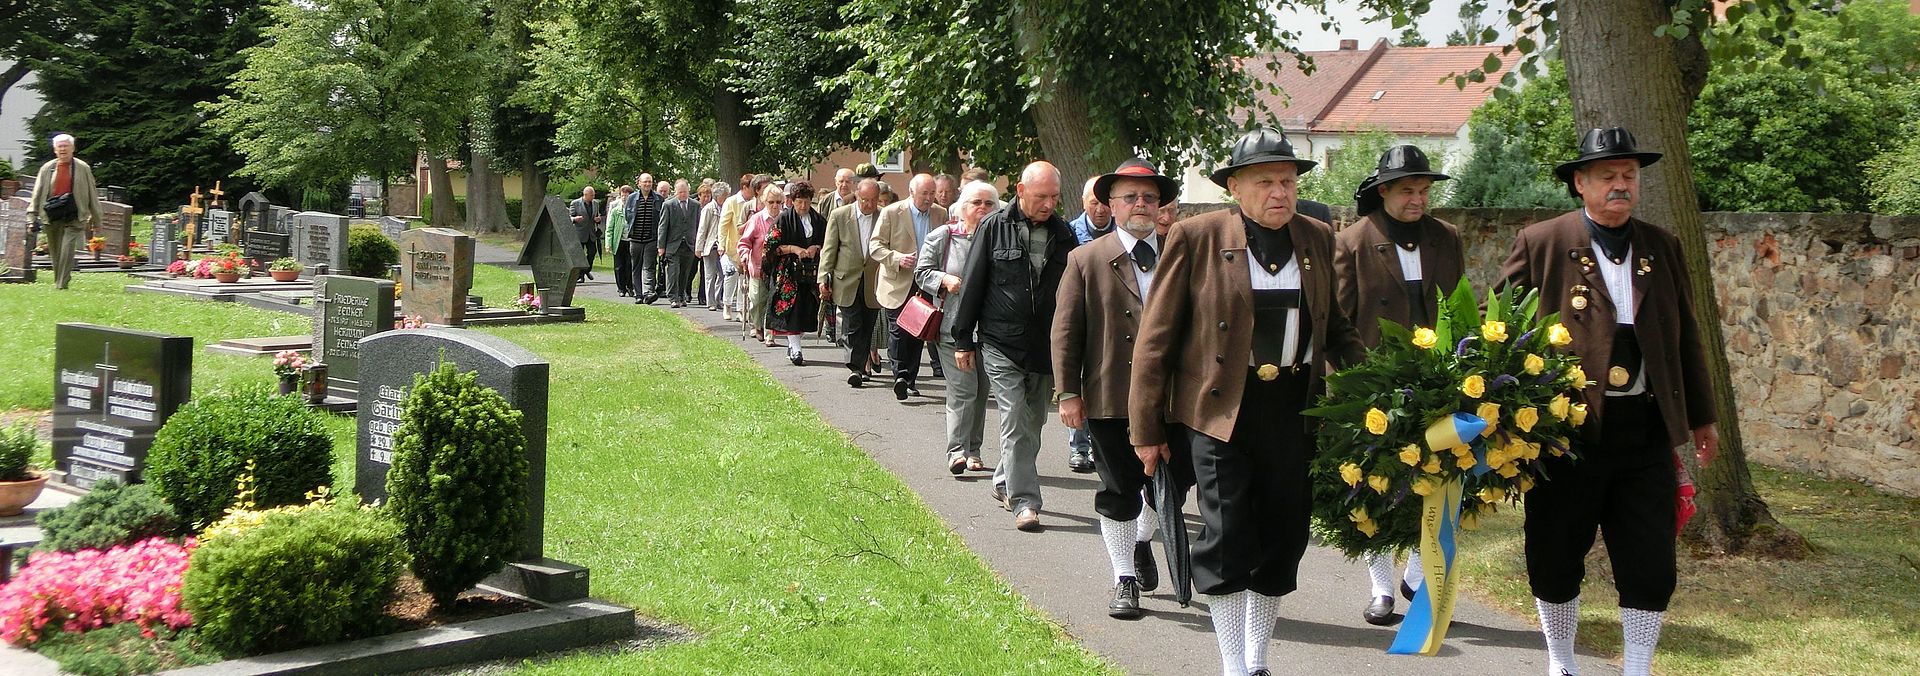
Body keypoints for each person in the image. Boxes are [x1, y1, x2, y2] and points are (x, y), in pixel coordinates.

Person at [1129, 128, 1365, 676]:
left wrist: (1379, 389)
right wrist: (1146, 429)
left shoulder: (1317, 237)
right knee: (1228, 533)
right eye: (1265, 182)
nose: (1280, 191)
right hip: (1218, 411)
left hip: (1294, 409)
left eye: (1288, 180)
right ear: (1235, 186)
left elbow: (1337, 330)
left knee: (1284, 535)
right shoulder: (1196, 237)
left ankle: (1258, 656)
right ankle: (1235, 664)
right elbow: (1155, 338)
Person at [1502, 128, 1718, 676]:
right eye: (1607, 177)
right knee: (1555, 552)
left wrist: (1701, 416)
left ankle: (1638, 666)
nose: (1620, 186)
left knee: (1648, 559)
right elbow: (1499, 326)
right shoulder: (1542, 242)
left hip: (1644, 428)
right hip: (1565, 431)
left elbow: (1687, 334)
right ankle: (1561, 662)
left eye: (1629, 176)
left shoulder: (1662, 245)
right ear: (1581, 183)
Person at [1332, 144, 1465, 626]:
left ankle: (1415, 574)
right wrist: (1346, 384)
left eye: (1425, 190)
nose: (1418, 199)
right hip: (1373, 382)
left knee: (1435, 477)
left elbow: (1460, 306)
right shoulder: (1351, 242)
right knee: (1373, 483)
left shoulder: (1446, 238)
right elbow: (1340, 320)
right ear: (1384, 190)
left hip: (1435, 379)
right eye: (1408, 189)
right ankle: (1382, 589)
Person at [1053, 159, 1190, 619]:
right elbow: (1066, 330)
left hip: (1175, 400)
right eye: (1130, 197)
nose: (1141, 205)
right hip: (1110, 396)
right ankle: (1124, 579)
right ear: (1110, 205)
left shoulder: (1182, 252)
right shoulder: (1085, 259)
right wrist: (1068, 392)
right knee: (1120, 489)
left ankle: (1141, 540)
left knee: (1173, 486)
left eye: (1149, 197)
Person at [948, 161, 1077, 533]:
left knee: (1033, 423)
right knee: (1016, 416)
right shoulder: (993, 227)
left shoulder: (1065, 235)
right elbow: (972, 284)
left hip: (1044, 347)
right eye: (1041, 197)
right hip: (1000, 342)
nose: (1049, 204)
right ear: (1020, 191)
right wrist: (962, 339)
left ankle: (1004, 480)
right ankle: (1025, 501)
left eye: (1054, 197)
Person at [918, 180, 998, 475]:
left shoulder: (1000, 238)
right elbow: (921, 272)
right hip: (953, 327)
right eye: (976, 203)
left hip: (990, 330)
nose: (982, 209)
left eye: (989, 204)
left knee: (981, 391)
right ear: (962, 208)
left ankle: (974, 449)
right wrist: (944, 280)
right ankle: (957, 451)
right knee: (963, 389)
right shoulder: (943, 236)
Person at [869, 174, 949, 401]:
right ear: (912, 192)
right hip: (898, 281)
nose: (929, 198)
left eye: (932, 193)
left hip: (926, 280)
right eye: (925, 193)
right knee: (898, 328)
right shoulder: (892, 212)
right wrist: (896, 258)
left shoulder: (940, 214)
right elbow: (875, 246)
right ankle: (900, 376)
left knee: (918, 330)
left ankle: (909, 380)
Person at [1062, 175, 1116, 474]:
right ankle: (1079, 447)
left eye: (1105, 203)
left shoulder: (1123, 234)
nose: (1100, 209)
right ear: (1084, 203)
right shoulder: (1070, 233)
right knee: (1078, 382)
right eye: (1094, 203)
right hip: (1081, 317)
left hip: (1113, 322)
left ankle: (1099, 446)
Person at [821, 179, 885, 387]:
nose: (869, 204)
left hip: (873, 281)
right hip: (845, 280)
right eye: (865, 200)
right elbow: (829, 249)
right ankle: (855, 368)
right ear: (857, 195)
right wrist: (823, 277)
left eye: (873, 200)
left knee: (868, 325)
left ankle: (863, 364)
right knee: (852, 324)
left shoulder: (884, 215)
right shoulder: (840, 215)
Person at [764, 181, 828, 364]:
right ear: (792, 201)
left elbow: (829, 242)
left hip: (811, 272)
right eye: (799, 201)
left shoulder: (818, 220)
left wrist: (816, 247)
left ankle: (794, 344)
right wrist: (793, 249)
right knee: (792, 308)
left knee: (808, 308)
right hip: (788, 273)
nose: (803, 206)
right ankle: (796, 349)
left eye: (807, 201)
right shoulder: (783, 219)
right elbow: (770, 247)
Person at [27, 134, 101, 290]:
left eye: (66, 146)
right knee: (56, 252)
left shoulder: (82, 168)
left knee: (67, 248)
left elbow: (92, 194)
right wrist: (31, 217)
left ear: (72, 148)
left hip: (75, 214)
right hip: (52, 214)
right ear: (55, 150)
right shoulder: (47, 168)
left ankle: (62, 284)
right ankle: (58, 279)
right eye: (59, 146)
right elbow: (37, 193)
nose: (63, 149)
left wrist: (96, 220)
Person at [737, 184, 784, 345]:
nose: (775, 206)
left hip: (779, 269)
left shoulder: (784, 218)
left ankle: (770, 333)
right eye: (771, 202)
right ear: (764, 201)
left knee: (773, 301)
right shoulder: (756, 219)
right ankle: (757, 325)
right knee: (757, 300)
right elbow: (744, 242)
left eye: (778, 202)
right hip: (758, 267)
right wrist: (744, 255)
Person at [718, 176, 761, 320]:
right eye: (752, 188)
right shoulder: (731, 202)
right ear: (744, 188)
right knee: (731, 277)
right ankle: (727, 305)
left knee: (745, 279)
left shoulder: (755, 203)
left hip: (750, 246)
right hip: (733, 246)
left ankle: (741, 309)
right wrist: (721, 244)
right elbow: (723, 224)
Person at [658, 179, 701, 308]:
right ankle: (673, 297)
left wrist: (698, 244)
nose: (683, 194)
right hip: (673, 244)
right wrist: (661, 246)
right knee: (673, 272)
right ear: (676, 192)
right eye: (680, 192)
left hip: (689, 244)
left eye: (685, 192)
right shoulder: (668, 205)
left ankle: (682, 295)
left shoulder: (695, 205)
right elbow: (662, 226)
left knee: (685, 273)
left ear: (689, 191)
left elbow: (699, 225)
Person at [626, 173, 665, 303]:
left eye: (649, 182)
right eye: (645, 182)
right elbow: (628, 215)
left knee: (649, 266)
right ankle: (638, 294)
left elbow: (662, 220)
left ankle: (648, 293)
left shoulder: (659, 199)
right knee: (636, 267)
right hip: (635, 238)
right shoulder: (632, 198)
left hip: (651, 239)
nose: (647, 184)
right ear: (639, 183)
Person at [695, 181, 730, 312]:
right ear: (718, 196)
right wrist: (699, 247)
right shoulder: (709, 208)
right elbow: (702, 229)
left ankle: (717, 299)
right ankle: (711, 302)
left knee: (722, 274)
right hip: (710, 246)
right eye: (725, 195)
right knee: (710, 275)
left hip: (722, 246)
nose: (727, 197)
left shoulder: (726, 207)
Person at [568, 186, 603, 282]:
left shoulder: (595, 203)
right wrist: (575, 219)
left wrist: (598, 219)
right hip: (579, 233)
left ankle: (586, 270)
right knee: (579, 256)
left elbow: (597, 216)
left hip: (591, 233)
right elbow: (569, 217)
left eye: (594, 195)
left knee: (592, 252)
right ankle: (580, 275)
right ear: (585, 195)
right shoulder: (575, 203)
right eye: (591, 195)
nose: (593, 197)